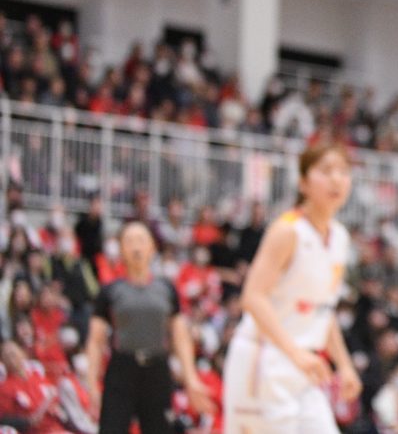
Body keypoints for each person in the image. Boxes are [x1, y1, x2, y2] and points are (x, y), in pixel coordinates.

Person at [221, 143, 361, 433]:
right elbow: (252, 297)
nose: (336, 179)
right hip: (264, 360)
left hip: (305, 368)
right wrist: (294, 353)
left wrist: (345, 365)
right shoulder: (287, 230)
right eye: (326, 171)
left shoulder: (340, 238)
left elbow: (323, 310)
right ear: (303, 182)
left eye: (343, 172)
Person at [84, 222, 213, 433]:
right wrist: (91, 385)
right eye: (129, 241)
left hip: (157, 371)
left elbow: (180, 336)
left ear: (152, 247)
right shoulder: (109, 291)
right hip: (121, 371)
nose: (136, 246)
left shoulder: (166, 289)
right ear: (121, 249)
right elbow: (95, 341)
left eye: (141, 240)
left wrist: (191, 379)